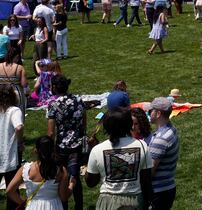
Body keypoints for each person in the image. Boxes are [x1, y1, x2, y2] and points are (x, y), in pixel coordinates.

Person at [86, 108, 153, 210]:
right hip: (134, 202)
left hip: (107, 203)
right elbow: (146, 180)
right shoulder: (142, 146)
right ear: (129, 124)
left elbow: (90, 182)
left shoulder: (97, 150)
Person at [47, 75, 86, 210]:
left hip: (62, 147)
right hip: (77, 145)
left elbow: (51, 132)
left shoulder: (53, 104)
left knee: (63, 177)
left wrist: (49, 149)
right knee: (75, 177)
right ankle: (79, 206)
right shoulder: (79, 100)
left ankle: (63, 206)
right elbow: (84, 123)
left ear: (55, 87)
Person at [5, 135, 71, 210]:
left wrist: (23, 203)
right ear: (53, 150)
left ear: (36, 151)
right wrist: (71, 185)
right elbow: (63, 197)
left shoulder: (25, 169)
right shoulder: (60, 170)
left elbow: (9, 191)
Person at [148, 97, 180, 210]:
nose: (149, 113)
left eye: (150, 111)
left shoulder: (161, 139)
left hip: (158, 193)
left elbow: (149, 171)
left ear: (158, 114)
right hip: (167, 188)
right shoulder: (171, 129)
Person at [0, 83, 23, 209]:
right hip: (9, 155)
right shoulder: (14, 110)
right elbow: (19, 126)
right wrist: (19, 142)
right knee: (12, 189)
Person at [0, 45, 27, 117]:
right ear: (17, 56)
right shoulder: (19, 68)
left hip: (2, 91)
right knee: (18, 114)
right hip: (16, 92)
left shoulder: (0, 66)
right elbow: (24, 84)